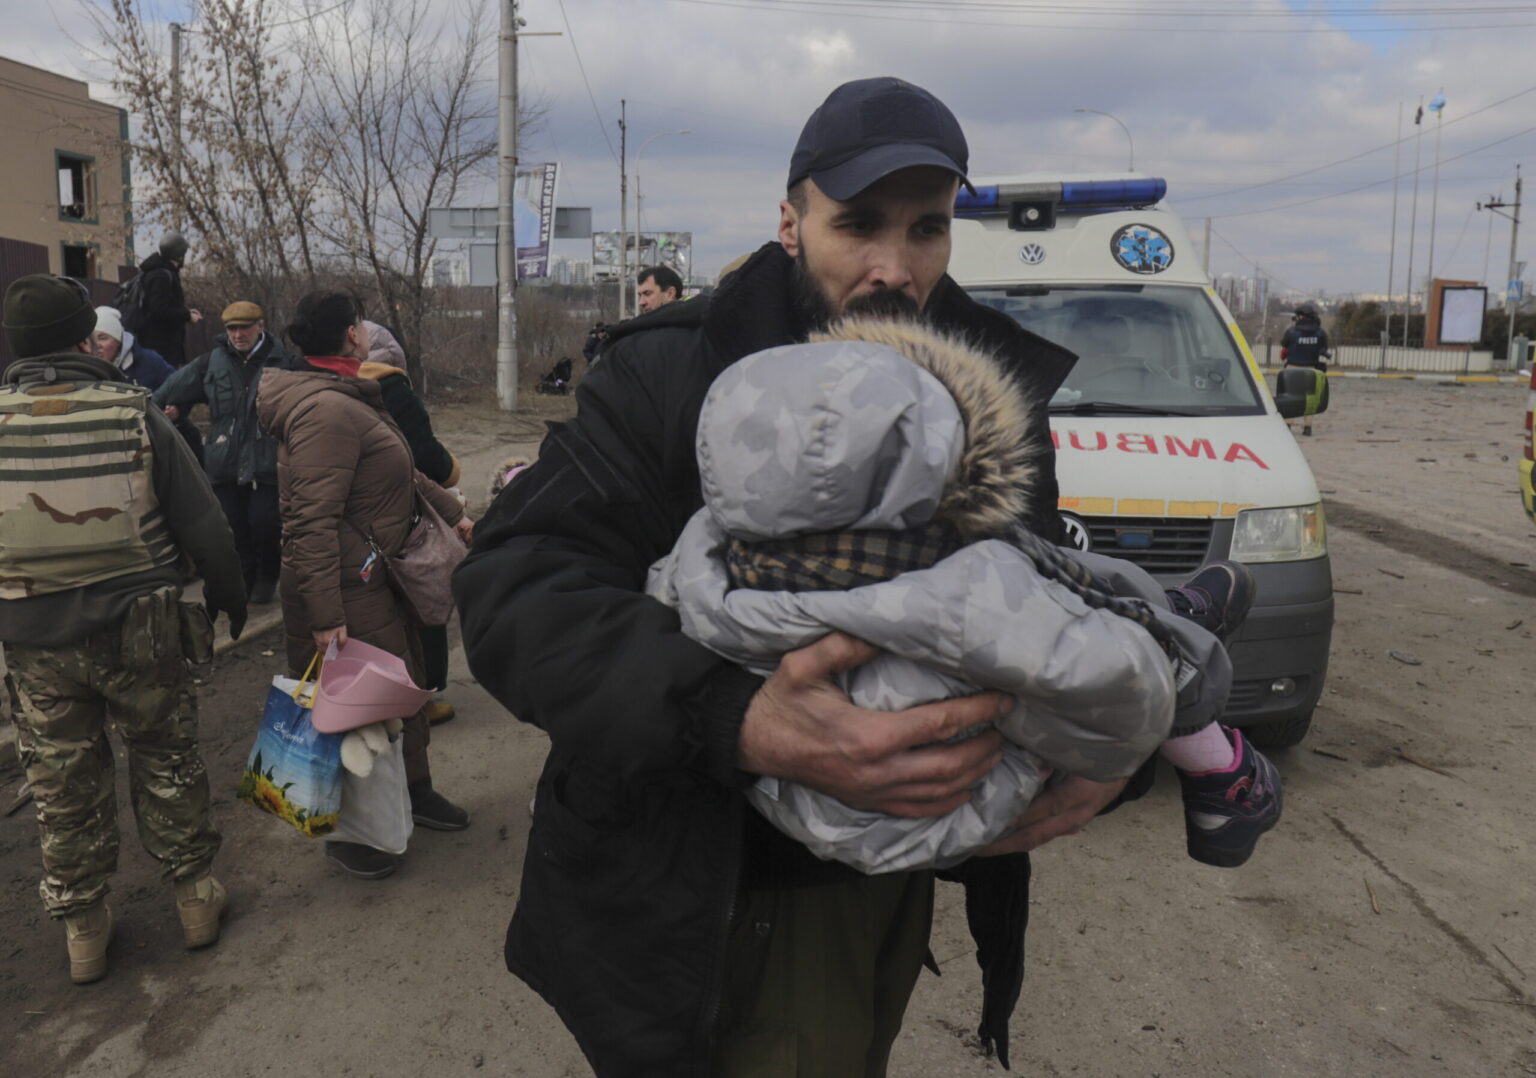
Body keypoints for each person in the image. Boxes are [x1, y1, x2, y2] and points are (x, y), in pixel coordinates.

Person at [457, 77, 1127, 1076]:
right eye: (858, 224)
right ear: (790, 222)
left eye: (927, 228)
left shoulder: (985, 389)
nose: (894, 266)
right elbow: (516, 587)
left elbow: (1032, 603)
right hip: (712, 885)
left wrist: (1107, 746)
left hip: (894, 873)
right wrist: (739, 718)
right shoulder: (671, 371)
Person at [649, 317, 1281, 877]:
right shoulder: (964, 592)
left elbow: (660, 608)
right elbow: (1124, 705)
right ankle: (1217, 760)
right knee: (1096, 637)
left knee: (1041, 581)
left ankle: (1164, 616)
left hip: (804, 802)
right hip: (952, 805)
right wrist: (1160, 680)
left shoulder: (703, 556)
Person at [0, 274, 247, 984]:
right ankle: (195, 901)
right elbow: (204, 522)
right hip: (142, 628)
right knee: (167, 758)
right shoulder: (133, 410)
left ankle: (83, 930)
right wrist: (228, 596)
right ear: (87, 339)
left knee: (61, 781)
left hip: (34, 640)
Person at [256, 291, 472, 880]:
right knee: (354, 717)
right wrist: (326, 614)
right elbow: (310, 521)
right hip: (344, 589)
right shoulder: (325, 410)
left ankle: (415, 793)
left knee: (400, 694)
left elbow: (401, 469)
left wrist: (454, 514)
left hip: (376, 576)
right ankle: (351, 835)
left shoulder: (349, 394)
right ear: (353, 335)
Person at [358, 319, 462, 726]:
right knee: (423, 596)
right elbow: (425, 458)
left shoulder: (334, 389)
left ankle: (372, 696)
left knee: (371, 611)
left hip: (354, 522)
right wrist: (452, 472)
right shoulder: (394, 390)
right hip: (401, 514)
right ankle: (425, 695)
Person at [154, 301, 290, 605]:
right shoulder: (211, 362)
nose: (238, 335)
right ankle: (245, 579)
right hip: (225, 460)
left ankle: (267, 576)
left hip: (266, 460)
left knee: (264, 524)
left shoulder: (283, 362)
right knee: (232, 527)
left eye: (245, 328)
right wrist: (167, 410)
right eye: (232, 328)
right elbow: (171, 390)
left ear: (261, 326)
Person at [122, 232, 202, 368]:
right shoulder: (161, 276)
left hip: (157, 345)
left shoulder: (155, 272)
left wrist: (186, 312)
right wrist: (187, 315)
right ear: (179, 255)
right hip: (161, 346)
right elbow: (158, 309)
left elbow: (164, 305)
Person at [91, 306, 175, 391]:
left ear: (118, 341)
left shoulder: (150, 362)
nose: (96, 345)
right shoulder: (85, 369)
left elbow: (176, 387)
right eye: (91, 339)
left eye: (103, 338)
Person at [1280, 303, 1331, 437]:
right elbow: (1324, 348)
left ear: (1301, 317)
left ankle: (1288, 425)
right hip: (1311, 369)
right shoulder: (1320, 333)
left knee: (1290, 398)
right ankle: (1308, 427)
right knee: (1309, 399)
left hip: (1292, 369)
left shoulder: (1292, 332)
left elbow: (1284, 343)